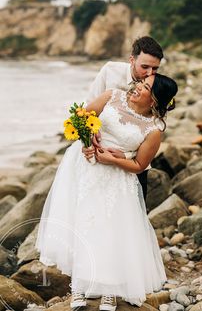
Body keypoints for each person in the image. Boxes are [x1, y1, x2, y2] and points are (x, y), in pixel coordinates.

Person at [35, 73, 178, 311]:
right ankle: (79, 288)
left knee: (111, 232)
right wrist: (89, 139)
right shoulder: (112, 96)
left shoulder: (153, 130)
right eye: (140, 83)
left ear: (154, 100)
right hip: (84, 169)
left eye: (145, 88)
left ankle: (110, 291)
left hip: (117, 180)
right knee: (81, 224)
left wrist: (115, 160)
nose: (137, 88)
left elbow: (140, 166)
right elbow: (79, 117)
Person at [86, 36, 164, 201]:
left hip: (131, 164)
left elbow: (153, 128)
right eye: (145, 67)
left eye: (155, 68)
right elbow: (88, 109)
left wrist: (125, 157)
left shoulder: (158, 85)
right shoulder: (110, 71)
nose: (150, 73)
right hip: (96, 153)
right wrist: (89, 135)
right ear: (131, 60)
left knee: (132, 213)